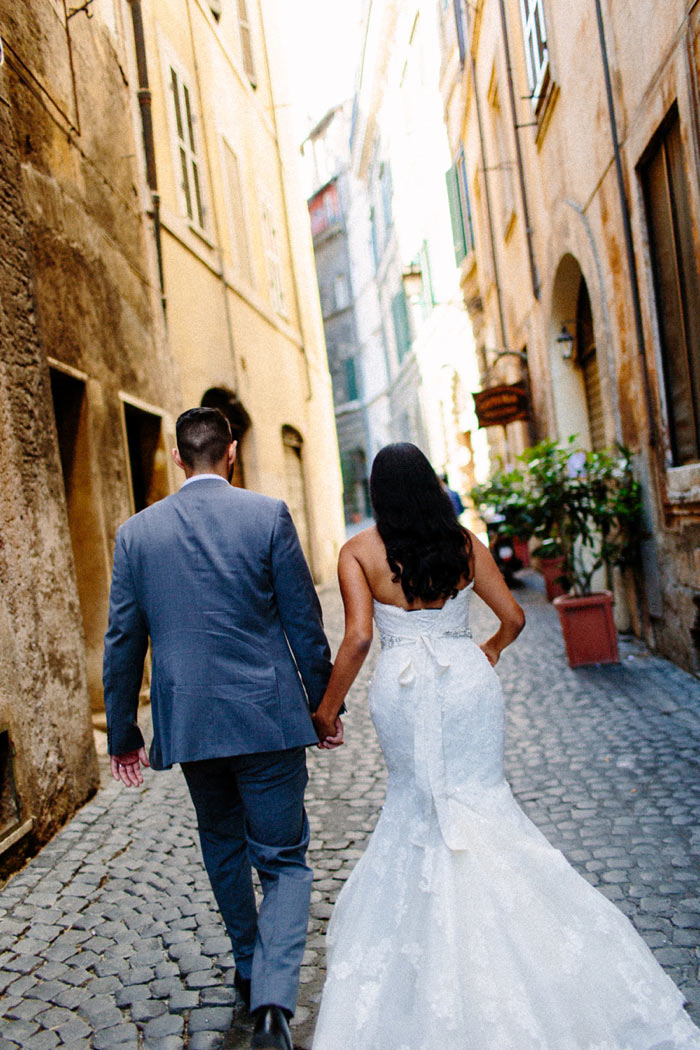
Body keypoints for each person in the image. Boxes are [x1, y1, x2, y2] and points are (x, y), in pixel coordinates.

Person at [310, 442, 700, 1050]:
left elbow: (358, 638)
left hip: (404, 689)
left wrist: (327, 709)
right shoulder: (464, 543)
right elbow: (514, 618)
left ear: (378, 493)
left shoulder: (357, 552)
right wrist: (483, 653)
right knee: (483, 801)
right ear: (433, 486)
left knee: (418, 805)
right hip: (466, 682)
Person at [103, 407, 342, 1050]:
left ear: (180, 458)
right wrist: (323, 707)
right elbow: (303, 621)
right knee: (286, 861)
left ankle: (246, 964)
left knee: (223, 845)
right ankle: (272, 1000)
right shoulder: (267, 516)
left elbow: (123, 640)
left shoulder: (137, 535)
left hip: (193, 724)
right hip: (266, 718)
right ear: (230, 453)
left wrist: (123, 732)